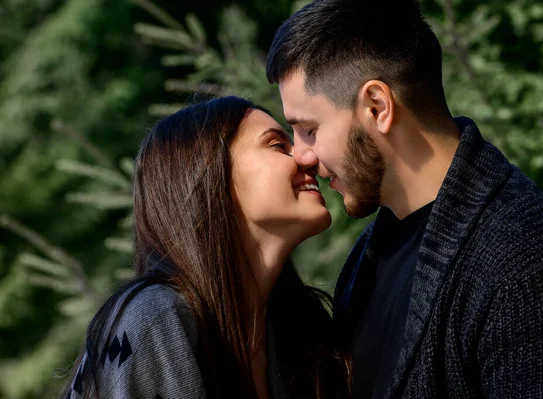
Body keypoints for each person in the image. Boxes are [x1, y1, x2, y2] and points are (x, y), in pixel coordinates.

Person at [266, 0, 543, 397]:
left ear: (378, 107)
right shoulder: (367, 258)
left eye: (309, 129)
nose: (303, 154)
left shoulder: (532, 266)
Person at [60, 96, 351, 399]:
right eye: (277, 145)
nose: (308, 158)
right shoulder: (151, 319)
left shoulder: (303, 331)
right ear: (211, 174)